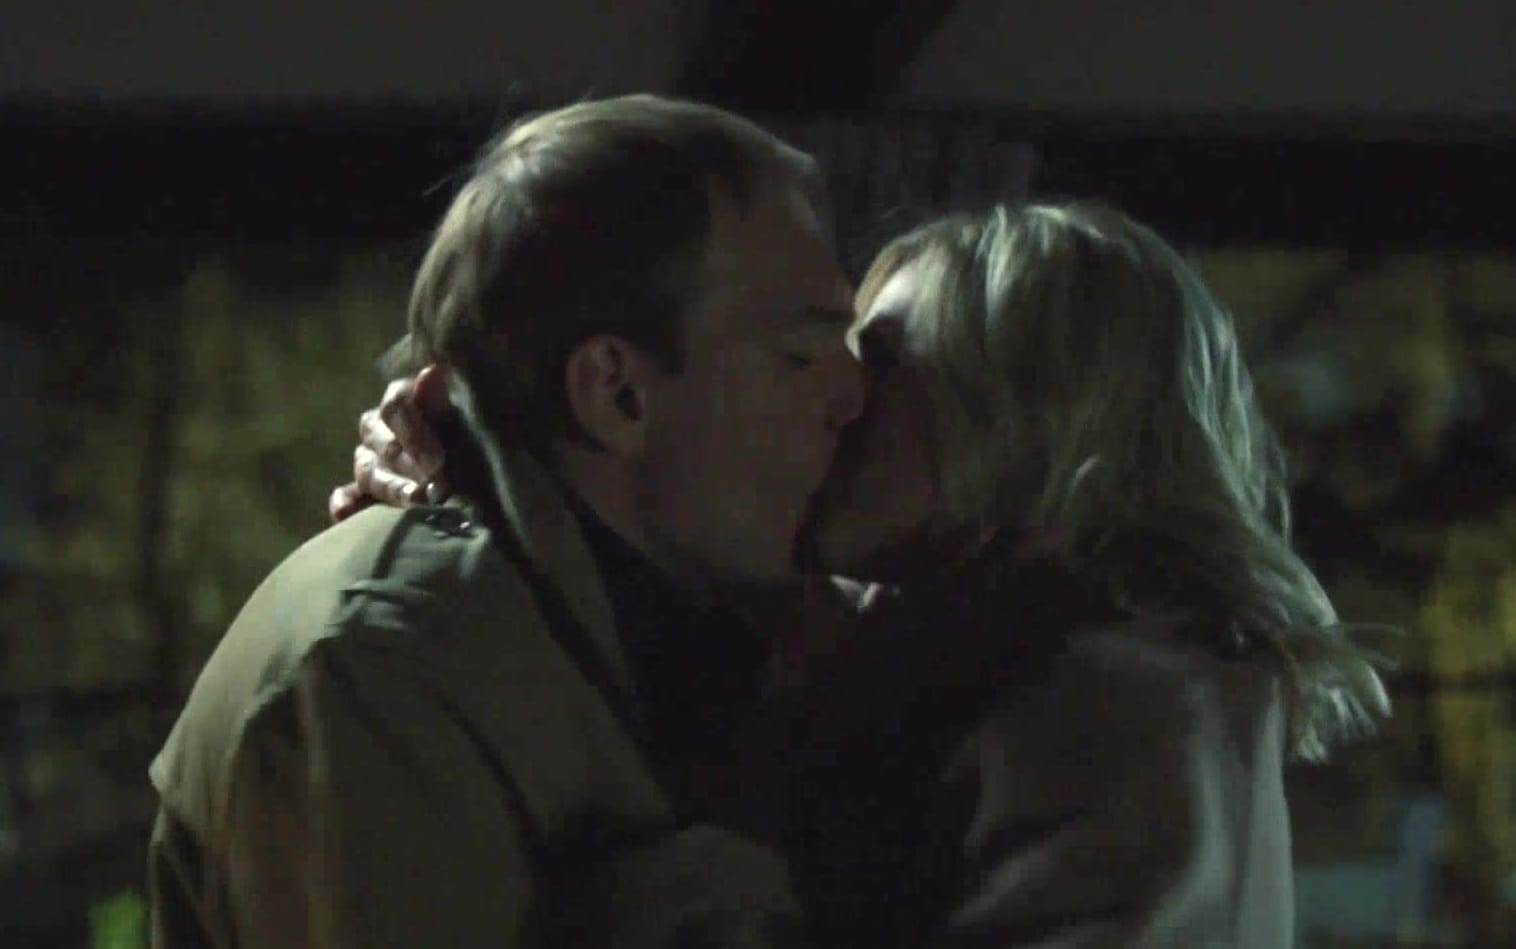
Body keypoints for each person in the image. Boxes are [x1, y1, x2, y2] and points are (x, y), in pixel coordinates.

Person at [348, 201, 1392, 947]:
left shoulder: (1123, 711)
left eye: (882, 366)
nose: (835, 400)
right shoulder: (924, 656)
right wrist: (475, 479)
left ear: (1031, 407)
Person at [146, 94, 865, 948]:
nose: (852, 396)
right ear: (617, 393)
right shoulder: (380, 669)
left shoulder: (713, 632)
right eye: (798, 355)